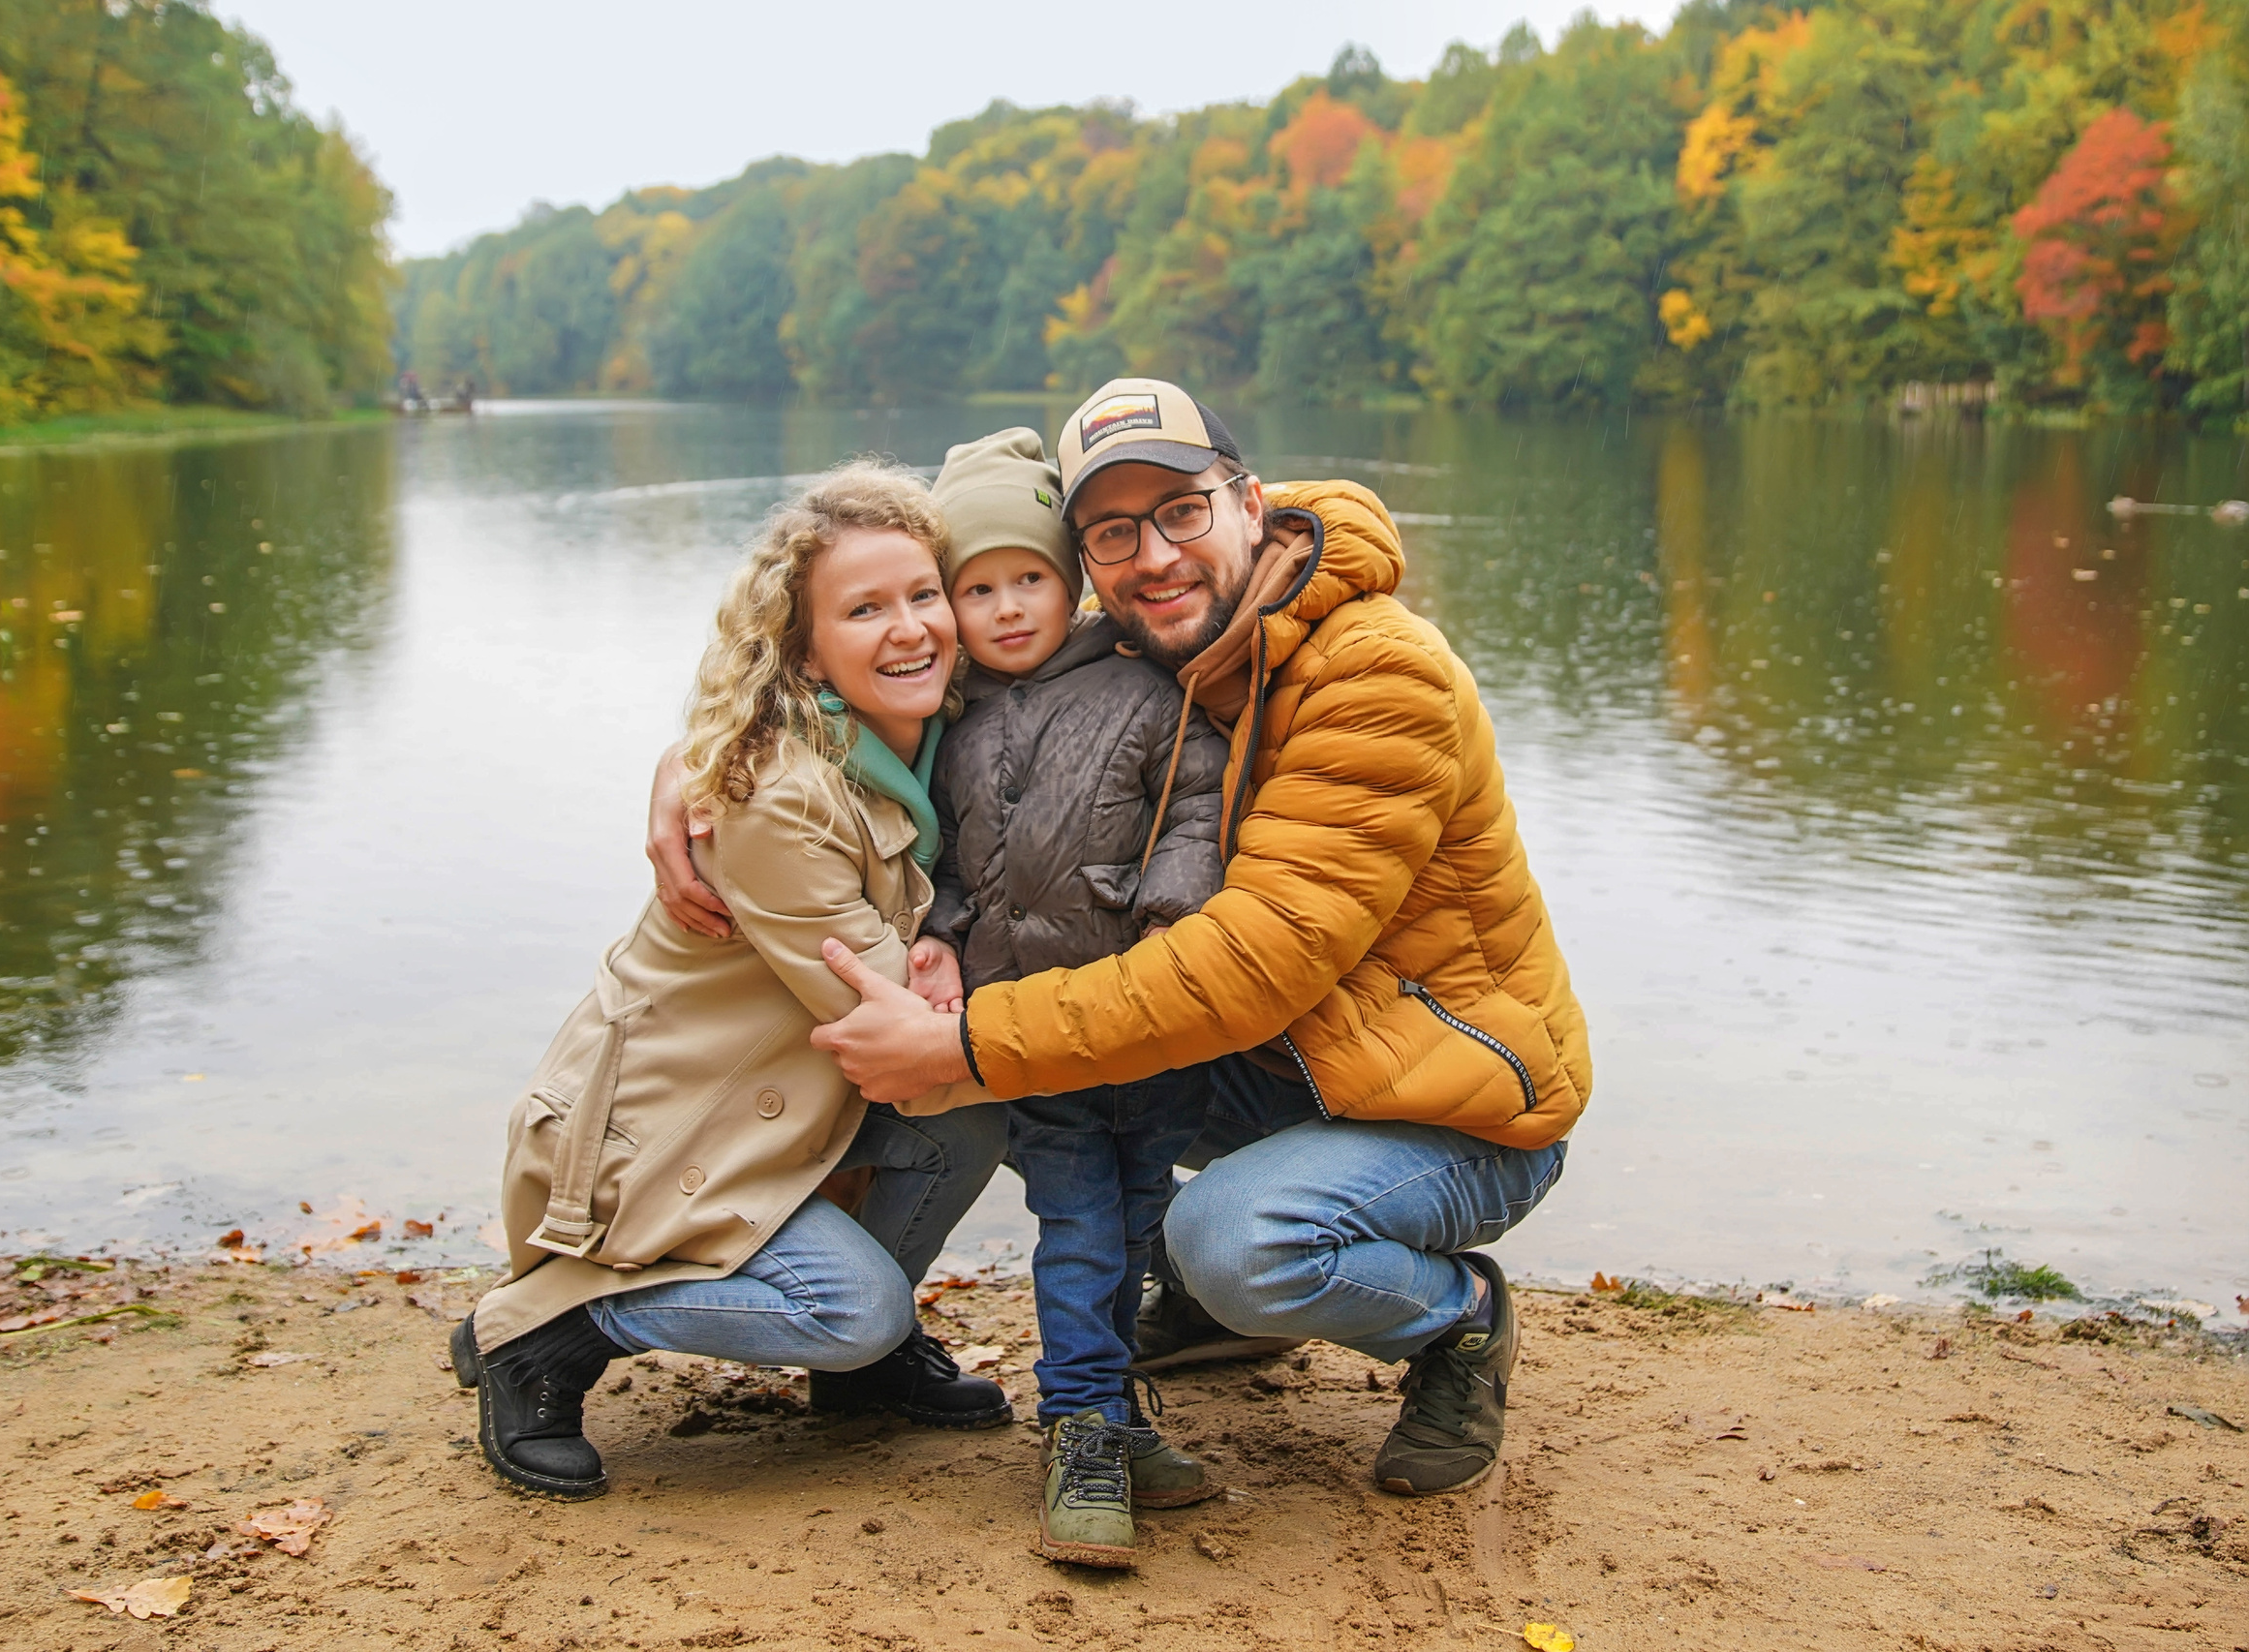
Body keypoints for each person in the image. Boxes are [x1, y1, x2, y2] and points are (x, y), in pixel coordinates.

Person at [704, 377, 1593, 1501]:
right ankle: (1197, 1300)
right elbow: (888, 670)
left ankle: (1452, 1317)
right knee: (1040, 1091)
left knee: (1234, 1235)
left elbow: (1249, 964)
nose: (1154, 554)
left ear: (1249, 503)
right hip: (1294, 1068)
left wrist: (967, 1038)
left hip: (1459, 1100)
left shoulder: (1378, 673)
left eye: (1181, 511)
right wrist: (701, 784)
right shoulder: (1155, 642)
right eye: (1112, 533)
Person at [453, 463, 1009, 1500]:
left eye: (924, 594)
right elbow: (891, 1028)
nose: (911, 628)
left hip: (770, 1115)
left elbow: (1038, 520)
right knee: (855, 1308)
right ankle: (546, 1331)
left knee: (971, 1128)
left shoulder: (922, 739)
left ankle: (859, 1379)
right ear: (804, 649)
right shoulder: (768, 794)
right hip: (661, 1141)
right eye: (864, 609)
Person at [912, 428, 1231, 1568]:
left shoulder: (1145, 685)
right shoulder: (947, 717)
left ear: (1070, 578)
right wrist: (942, 934)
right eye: (977, 588)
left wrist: (1169, 918)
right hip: (1027, 1026)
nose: (1005, 608)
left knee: (1141, 1210)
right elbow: (933, 859)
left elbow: (1196, 806)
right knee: (1079, 1223)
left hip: (1146, 1016)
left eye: (1028, 580)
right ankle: (1080, 1424)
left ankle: (1116, 1404)